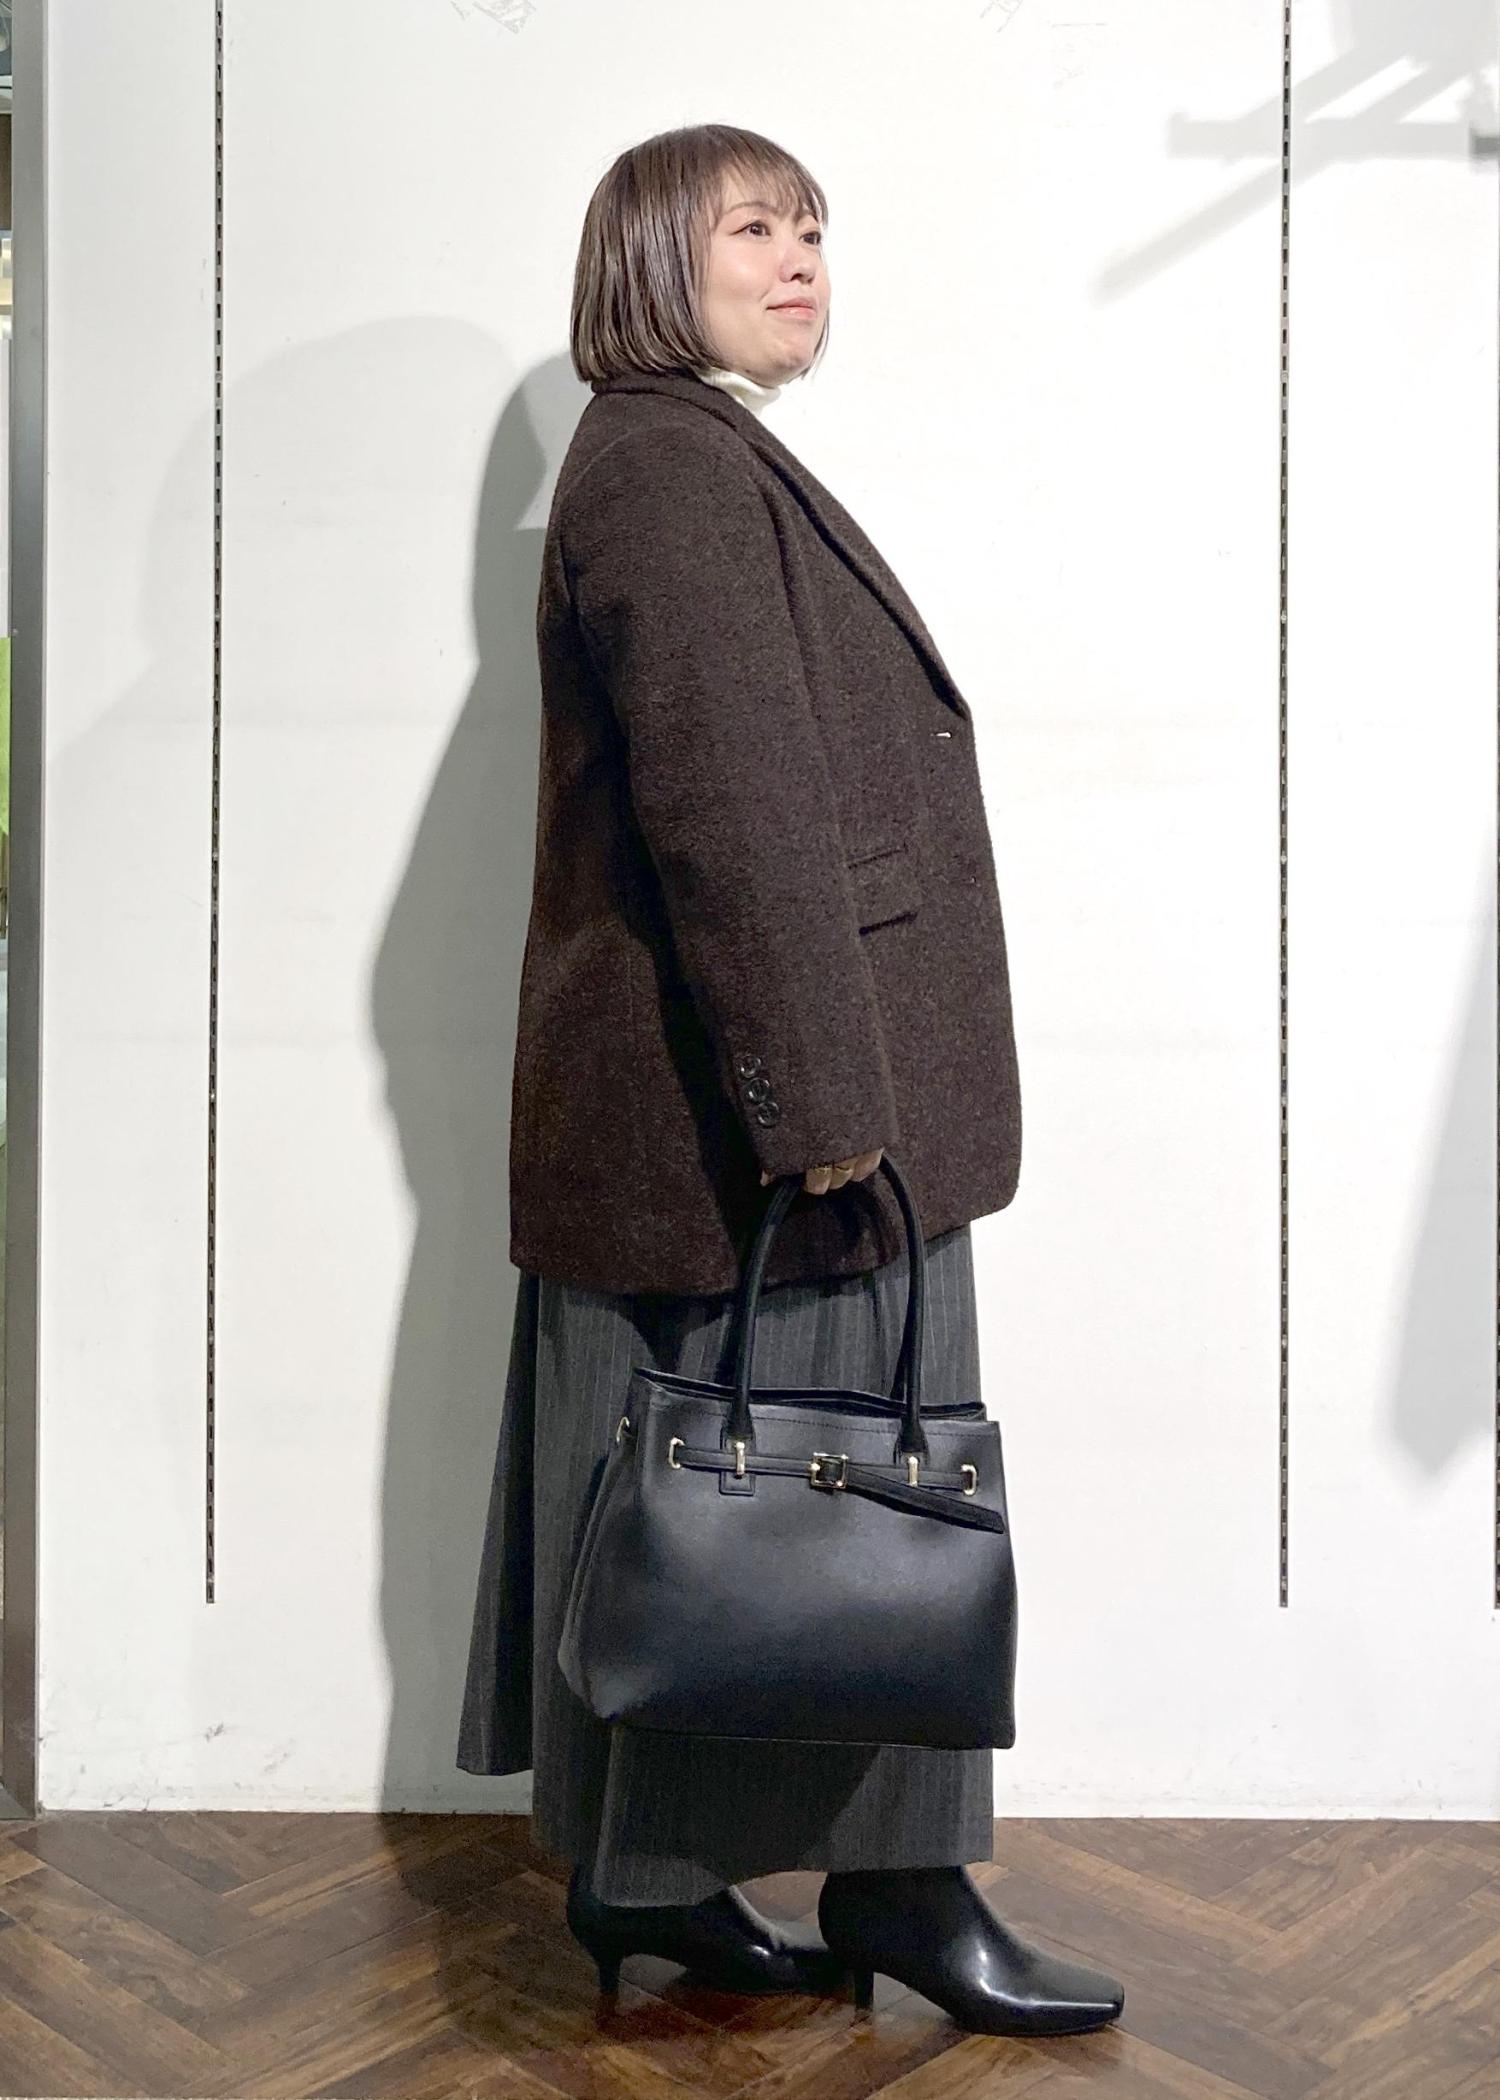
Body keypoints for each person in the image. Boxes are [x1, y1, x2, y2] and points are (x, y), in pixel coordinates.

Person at [457, 121, 1123, 2038]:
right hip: (769, 1115)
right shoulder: (670, 467)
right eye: (753, 226)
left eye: (813, 226)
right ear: (650, 262)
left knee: (704, 1508)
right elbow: (731, 812)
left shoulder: (674, 455)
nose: (801, 257)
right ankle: (901, 1890)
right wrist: (823, 1101)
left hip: (713, 1103)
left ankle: (653, 1882)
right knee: (846, 1508)